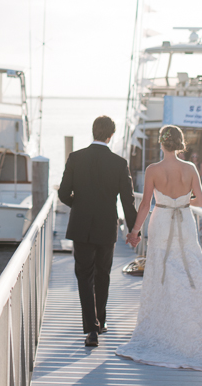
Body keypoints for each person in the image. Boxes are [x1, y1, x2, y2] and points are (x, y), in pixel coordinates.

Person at [116, 125, 202, 370]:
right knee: (193, 270)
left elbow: (146, 204)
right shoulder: (190, 168)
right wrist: (182, 201)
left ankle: (165, 327)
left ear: (161, 143)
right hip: (185, 222)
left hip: (162, 222)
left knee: (162, 272)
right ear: (180, 144)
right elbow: (200, 201)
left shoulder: (153, 170)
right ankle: (197, 328)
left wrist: (135, 231)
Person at [58, 115, 139, 348]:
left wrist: (80, 205)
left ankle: (91, 330)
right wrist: (134, 230)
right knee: (103, 274)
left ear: (93, 132)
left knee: (84, 276)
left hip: (81, 225)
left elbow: (63, 194)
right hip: (106, 225)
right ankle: (101, 321)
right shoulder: (119, 163)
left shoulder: (75, 158)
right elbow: (127, 201)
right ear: (110, 135)